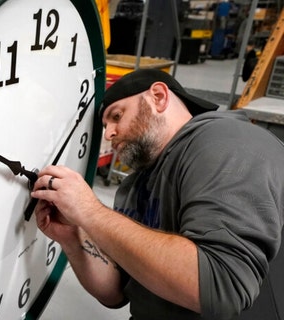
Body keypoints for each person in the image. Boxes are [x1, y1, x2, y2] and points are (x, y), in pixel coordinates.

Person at [31, 68, 284, 319]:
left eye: (117, 116)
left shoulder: (227, 142)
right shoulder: (136, 186)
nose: (108, 134)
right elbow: (117, 292)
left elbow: (221, 285)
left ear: (159, 97)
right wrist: (73, 236)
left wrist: (90, 211)